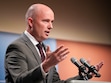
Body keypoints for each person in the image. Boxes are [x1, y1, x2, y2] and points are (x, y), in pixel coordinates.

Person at [4, 3, 103, 83]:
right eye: (46, 21)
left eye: (52, 22)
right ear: (31, 22)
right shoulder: (17, 47)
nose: (51, 26)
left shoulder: (44, 50)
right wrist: (45, 66)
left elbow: (56, 82)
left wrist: (82, 77)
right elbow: (19, 81)